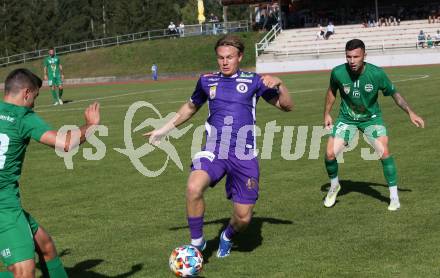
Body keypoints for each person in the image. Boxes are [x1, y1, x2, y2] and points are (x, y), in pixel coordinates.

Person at [145, 35, 293, 258]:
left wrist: (280, 84)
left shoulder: (254, 81)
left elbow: (287, 106)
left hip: (244, 155)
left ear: (240, 57)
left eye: (229, 58)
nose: (224, 62)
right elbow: (190, 107)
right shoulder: (206, 81)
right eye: (221, 58)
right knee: (194, 188)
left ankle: (227, 236)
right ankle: (198, 245)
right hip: (214, 149)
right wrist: (163, 129)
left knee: (243, 218)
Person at [0, 68, 100, 277]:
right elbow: (65, 144)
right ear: (26, 93)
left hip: (7, 203)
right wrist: (91, 125)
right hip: (4, 205)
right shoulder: (24, 117)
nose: (33, 104)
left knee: (45, 245)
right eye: (34, 97)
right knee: (24, 271)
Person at [322, 39, 424, 211]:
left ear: (364, 56)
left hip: (371, 118)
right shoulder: (338, 72)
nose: (352, 61)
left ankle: (394, 197)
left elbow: (394, 94)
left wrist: (410, 112)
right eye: (348, 57)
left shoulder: (376, 74)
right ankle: (334, 186)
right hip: (347, 118)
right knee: (330, 154)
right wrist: (326, 113)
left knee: (384, 152)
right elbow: (332, 91)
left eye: (356, 56)